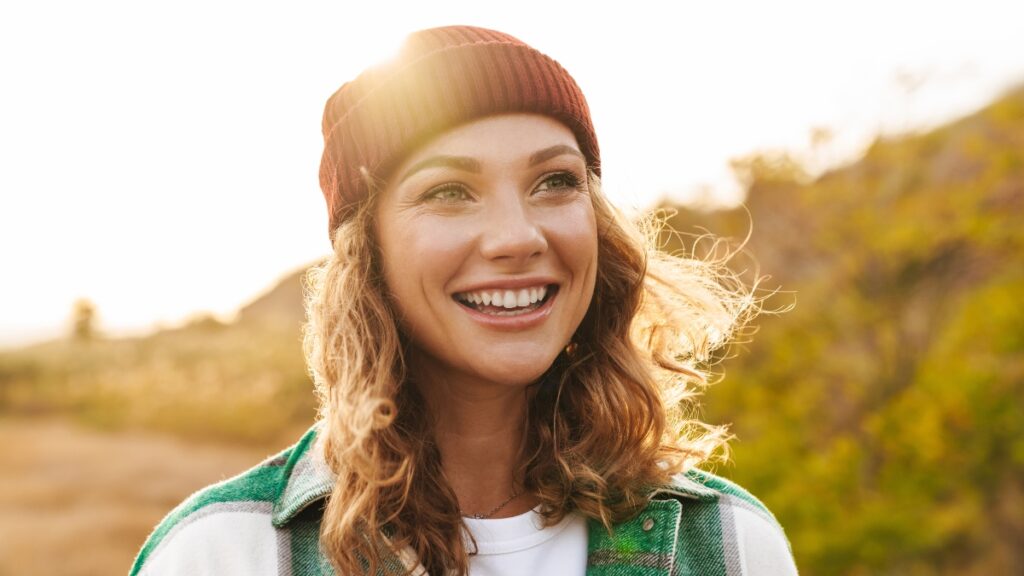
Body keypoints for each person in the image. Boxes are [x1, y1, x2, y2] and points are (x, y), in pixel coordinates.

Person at [130, 25, 798, 576]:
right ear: (371, 254)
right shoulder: (223, 555)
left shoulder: (730, 547)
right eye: (449, 191)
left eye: (555, 181)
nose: (517, 236)